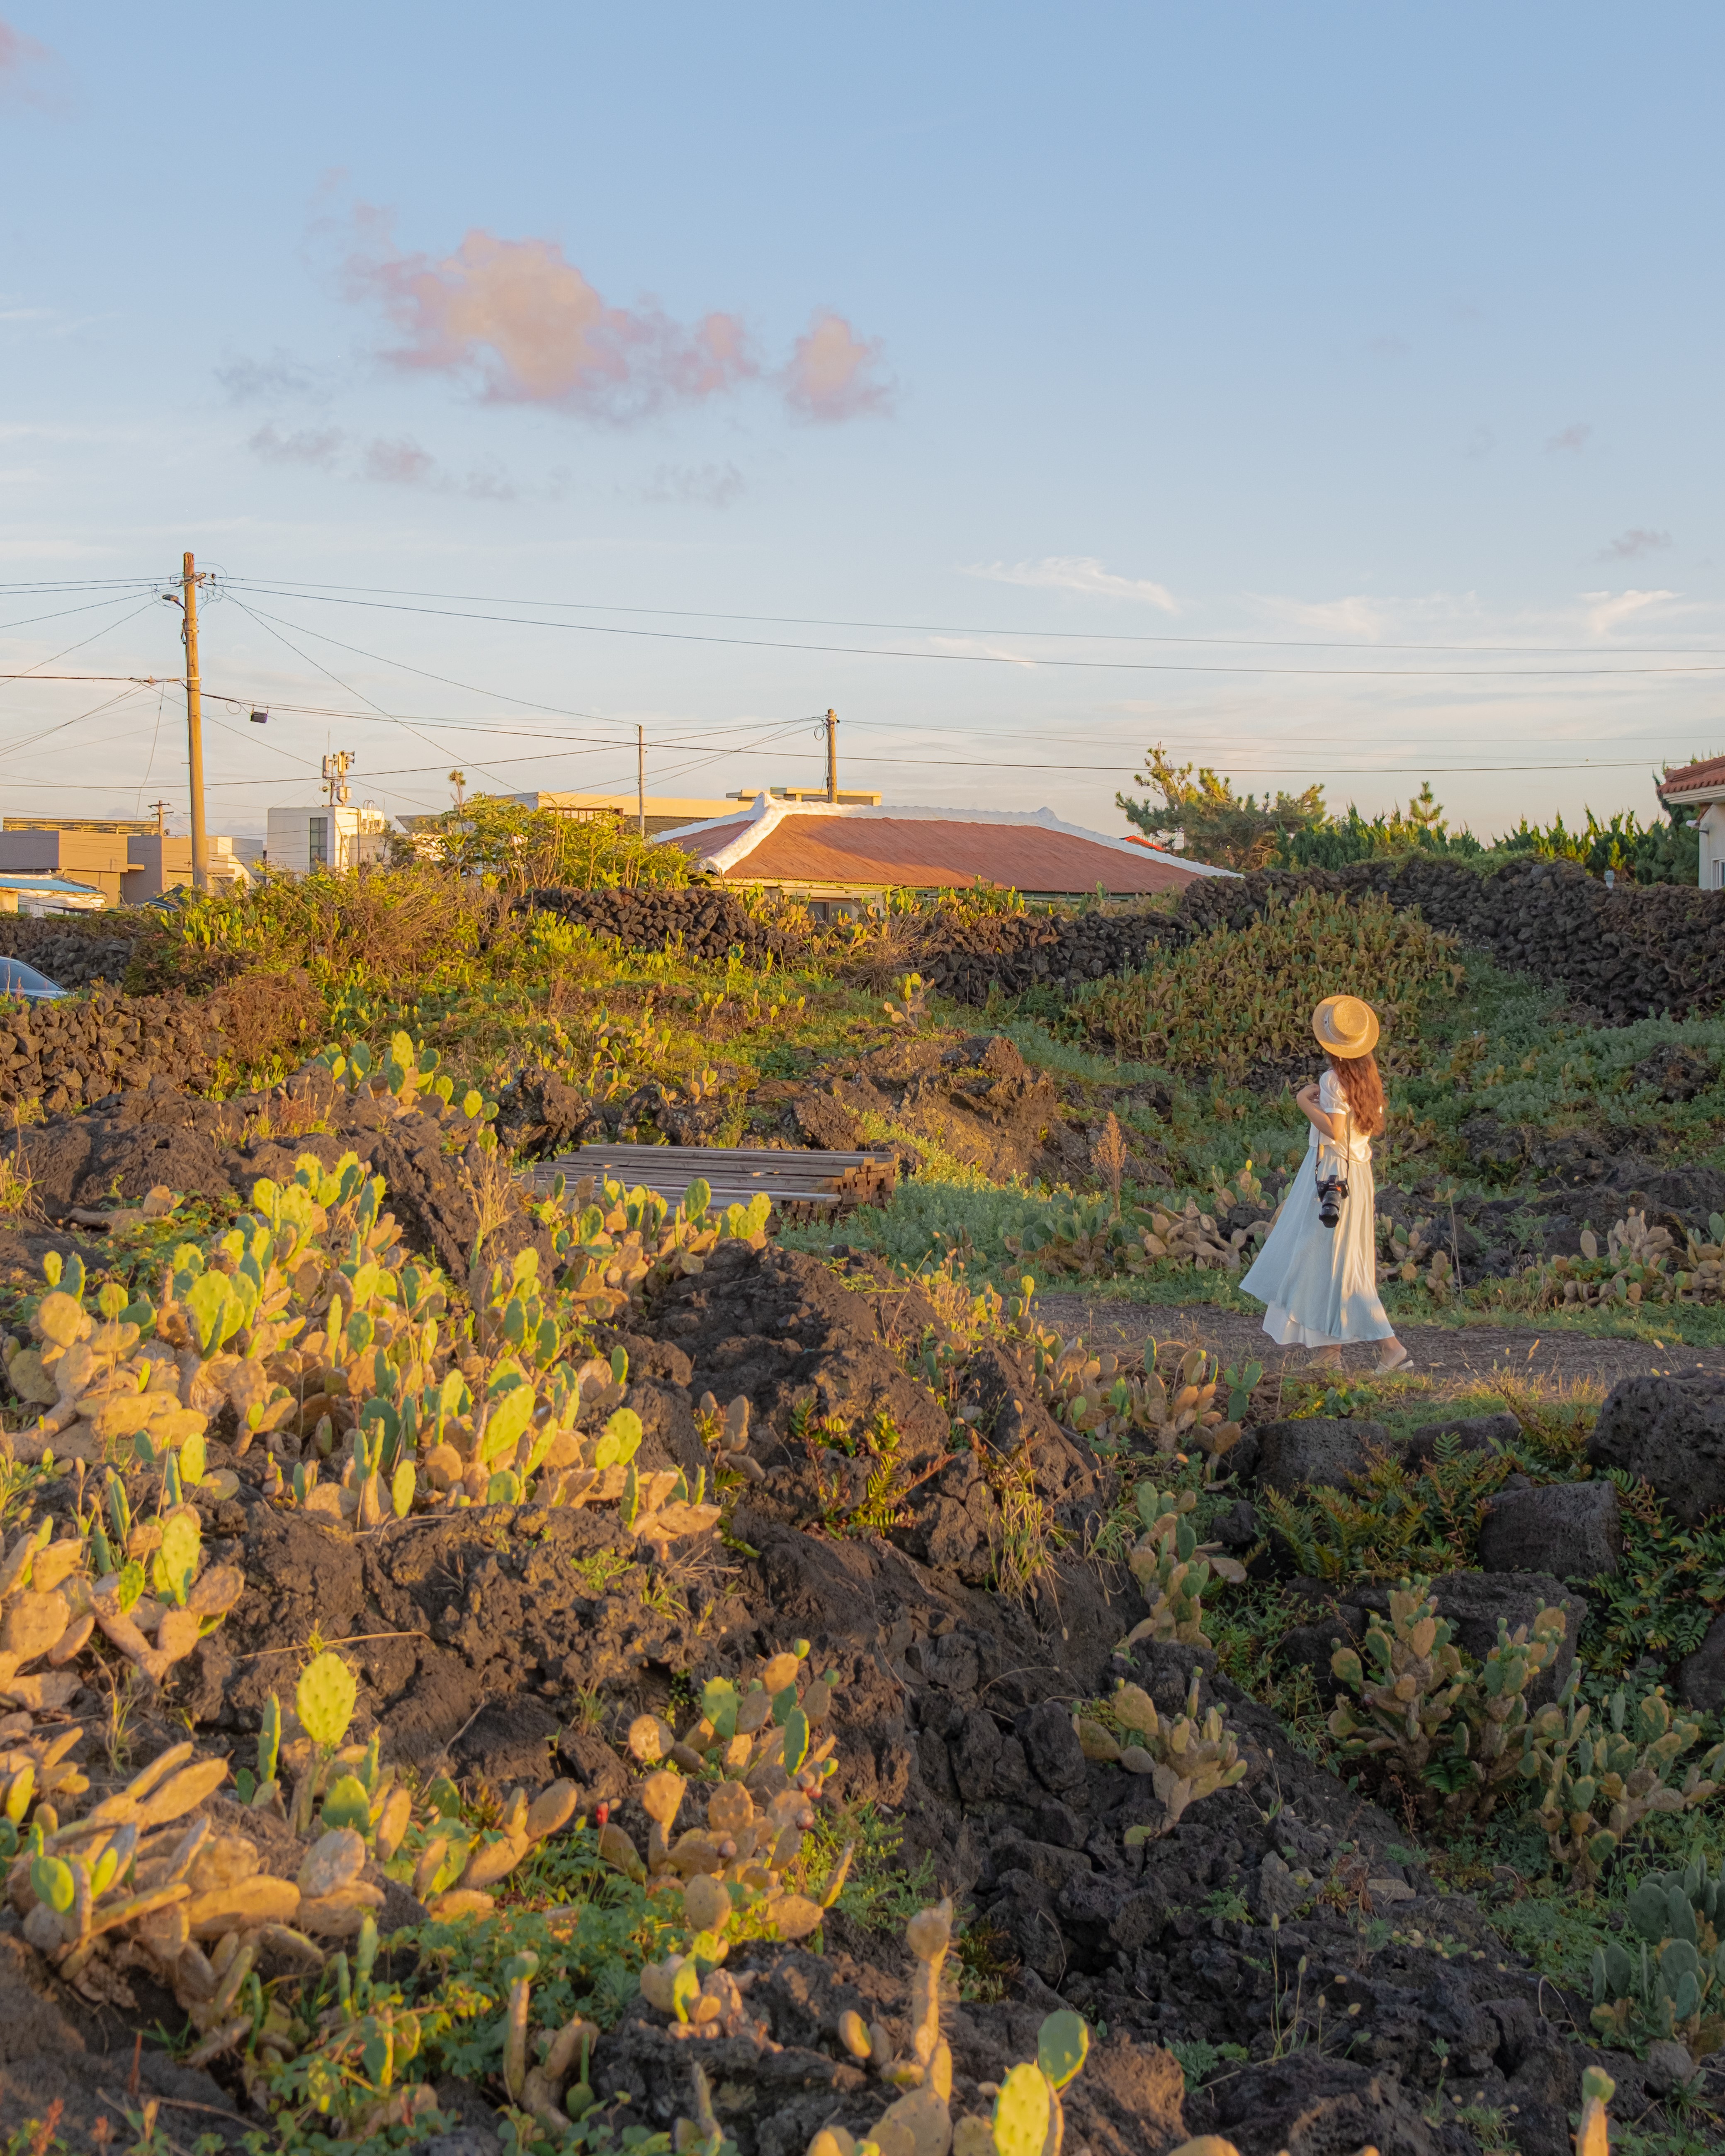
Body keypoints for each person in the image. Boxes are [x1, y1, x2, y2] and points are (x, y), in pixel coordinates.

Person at [1240, 993, 1411, 1374]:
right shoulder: (1368, 1079)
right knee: (1331, 1259)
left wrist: (1303, 1101)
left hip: (1332, 1175)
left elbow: (1334, 1131)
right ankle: (1329, 1353)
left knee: (1332, 1260)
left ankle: (1391, 1348)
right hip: (1356, 1177)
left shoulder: (1333, 1079)